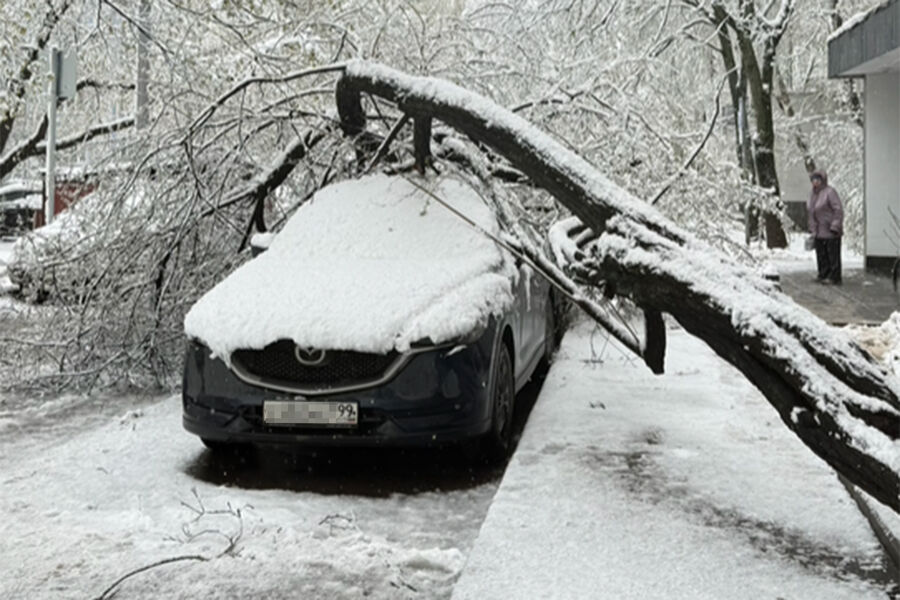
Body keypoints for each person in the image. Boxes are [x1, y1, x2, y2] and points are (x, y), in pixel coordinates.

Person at [807, 169, 843, 285]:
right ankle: (823, 274)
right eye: (813, 180)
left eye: (818, 179)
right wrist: (812, 229)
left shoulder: (830, 192)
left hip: (831, 230)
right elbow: (811, 212)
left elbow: (838, 210)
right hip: (819, 231)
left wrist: (835, 225)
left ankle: (834, 277)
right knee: (821, 255)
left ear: (823, 180)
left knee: (832, 255)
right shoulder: (812, 194)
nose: (815, 182)